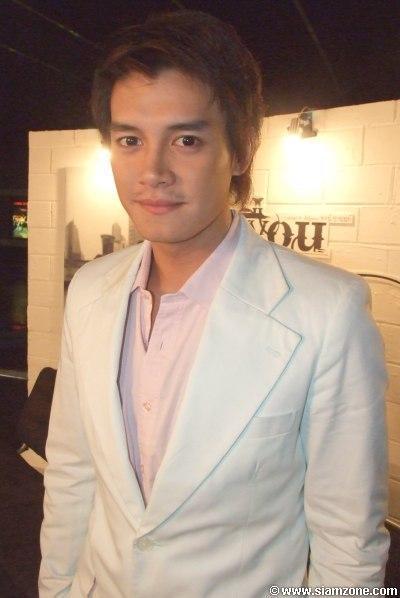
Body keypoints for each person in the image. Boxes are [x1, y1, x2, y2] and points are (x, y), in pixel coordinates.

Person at [39, 10, 389, 597]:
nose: (153, 172)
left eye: (187, 140)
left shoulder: (327, 311)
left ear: (242, 149)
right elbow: (73, 473)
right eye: (130, 140)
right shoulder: (92, 290)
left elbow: (347, 536)